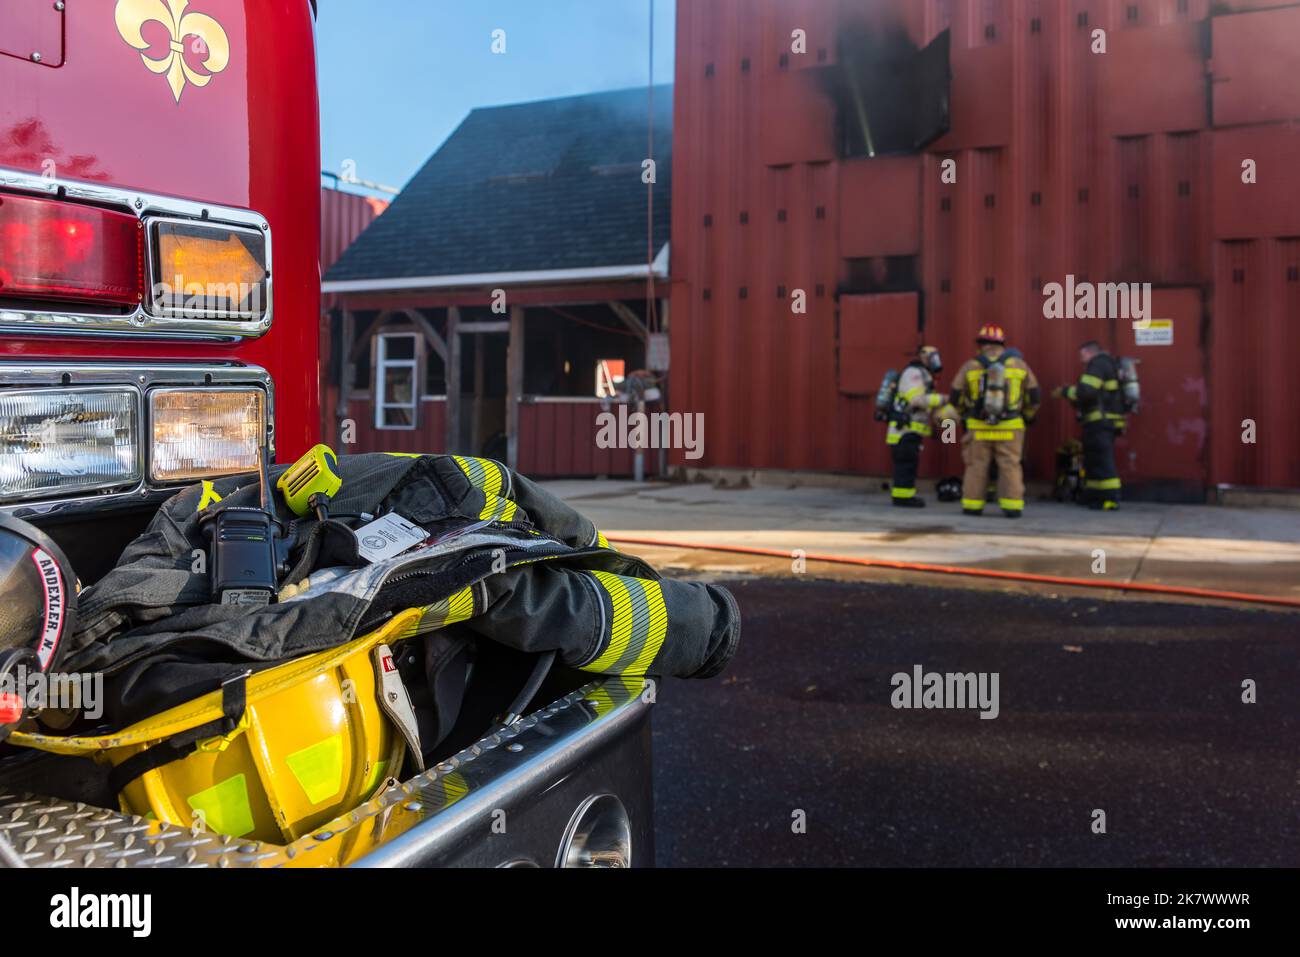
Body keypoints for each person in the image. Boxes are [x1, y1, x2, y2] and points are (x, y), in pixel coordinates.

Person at [945, 325, 1040, 518]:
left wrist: (965, 413)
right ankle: (1012, 507)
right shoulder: (1019, 365)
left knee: (976, 465)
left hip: (978, 426)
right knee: (1010, 465)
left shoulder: (970, 365)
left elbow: (955, 396)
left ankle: (972, 506)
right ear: (1002, 344)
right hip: (1010, 426)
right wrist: (1027, 415)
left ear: (980, 345)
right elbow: (1034, 395)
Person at [1053, 340, 1125, 511]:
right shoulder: (1106, 364)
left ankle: (1110, 499)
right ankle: (1093, 496)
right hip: (1100, 421)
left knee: (1102, 460)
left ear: (1089, 352)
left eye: (1082, 355)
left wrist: (1065, 392)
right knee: (1093, 460)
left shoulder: (1098, 363)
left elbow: (1086, 391)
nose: (1081, 359)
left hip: (1100, 421)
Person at [887, 345, 945, 508]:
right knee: (906, 466)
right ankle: (903, 498)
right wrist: (941, 399)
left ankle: (904, 496)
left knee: (908, 466)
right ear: (922, 356)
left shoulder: (924, 375)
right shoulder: (913, 373)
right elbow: (916, 400)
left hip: (910, 430)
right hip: (904, 430)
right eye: (931, 356)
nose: (935, 360)